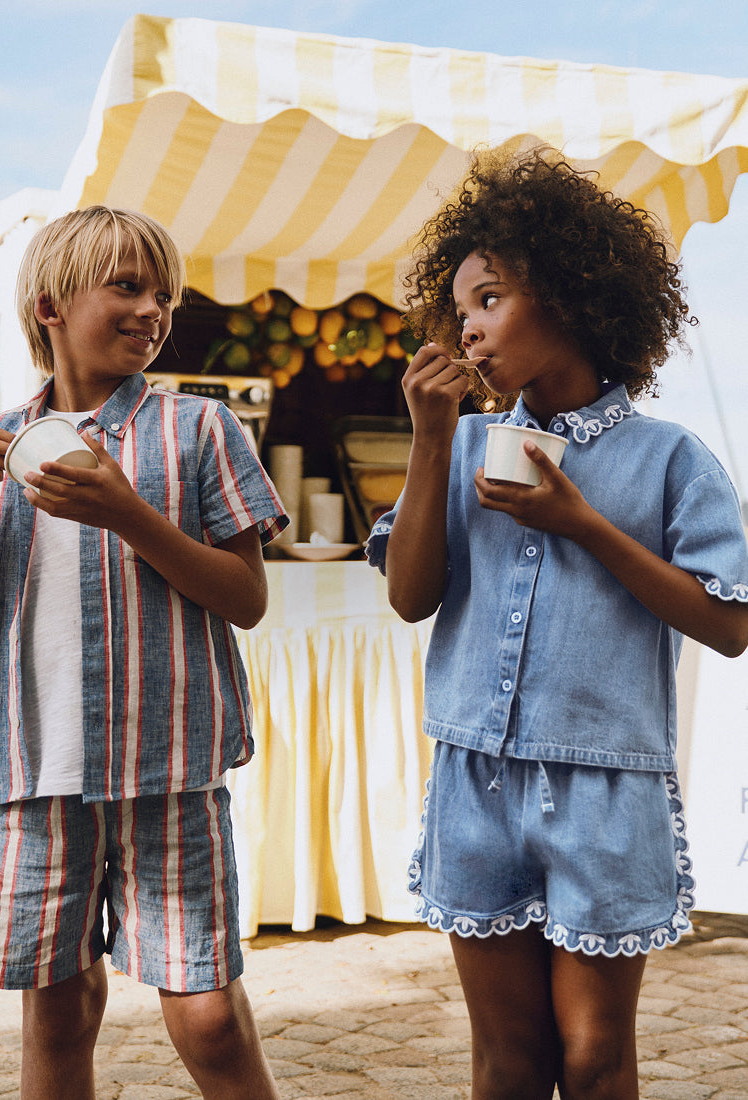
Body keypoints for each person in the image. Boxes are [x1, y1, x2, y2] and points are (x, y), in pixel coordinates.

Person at [366, 147, 748, 1100]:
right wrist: (428, 443)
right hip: (474, 780)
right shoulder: (460, 449)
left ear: (573, 296)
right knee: (507, 1059)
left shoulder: (670, 460)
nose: (472, 331)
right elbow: (410, 596)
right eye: (461, 314)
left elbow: (730, 626)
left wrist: (583, 525)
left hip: (607, 789)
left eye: (489, 300)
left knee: (593, 1057)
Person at [0, 206, 287, 1100]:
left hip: (171, 769)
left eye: (165, 295)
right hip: (33, 779)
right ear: (48, 308)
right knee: (59, 1009)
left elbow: (247, 599)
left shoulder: (199, 430)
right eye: (127, 287)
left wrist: (130, 514)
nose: (153, 310)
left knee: (210, 1015)